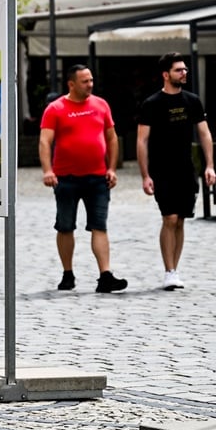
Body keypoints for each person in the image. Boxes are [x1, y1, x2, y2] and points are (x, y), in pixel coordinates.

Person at [39, 65, 128, 294]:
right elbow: (45, 141)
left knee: (99, 226)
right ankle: (67, 273)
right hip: (65, 178)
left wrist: (112, 168)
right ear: (71, 84)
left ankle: (105, 276)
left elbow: (111, 138)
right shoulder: (55, 109)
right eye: (85, 81)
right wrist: (48, 170)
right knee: (65, 226)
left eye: (91, 80)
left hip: (98, 178)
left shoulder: (101, 105)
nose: (90, 85)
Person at [136, 53, 216, 291]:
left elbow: (204, 133)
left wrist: (209, 165)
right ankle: (169, 270)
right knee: (169, 218)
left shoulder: (192, 101)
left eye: (185, 69)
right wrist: (145, 175)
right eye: (179, 70)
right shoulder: (152, 104)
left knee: (180, 220)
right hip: (161, 169)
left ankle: (175, 269)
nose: (184, 73)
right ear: (166, 74)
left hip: (185, 168)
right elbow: (142, 140)